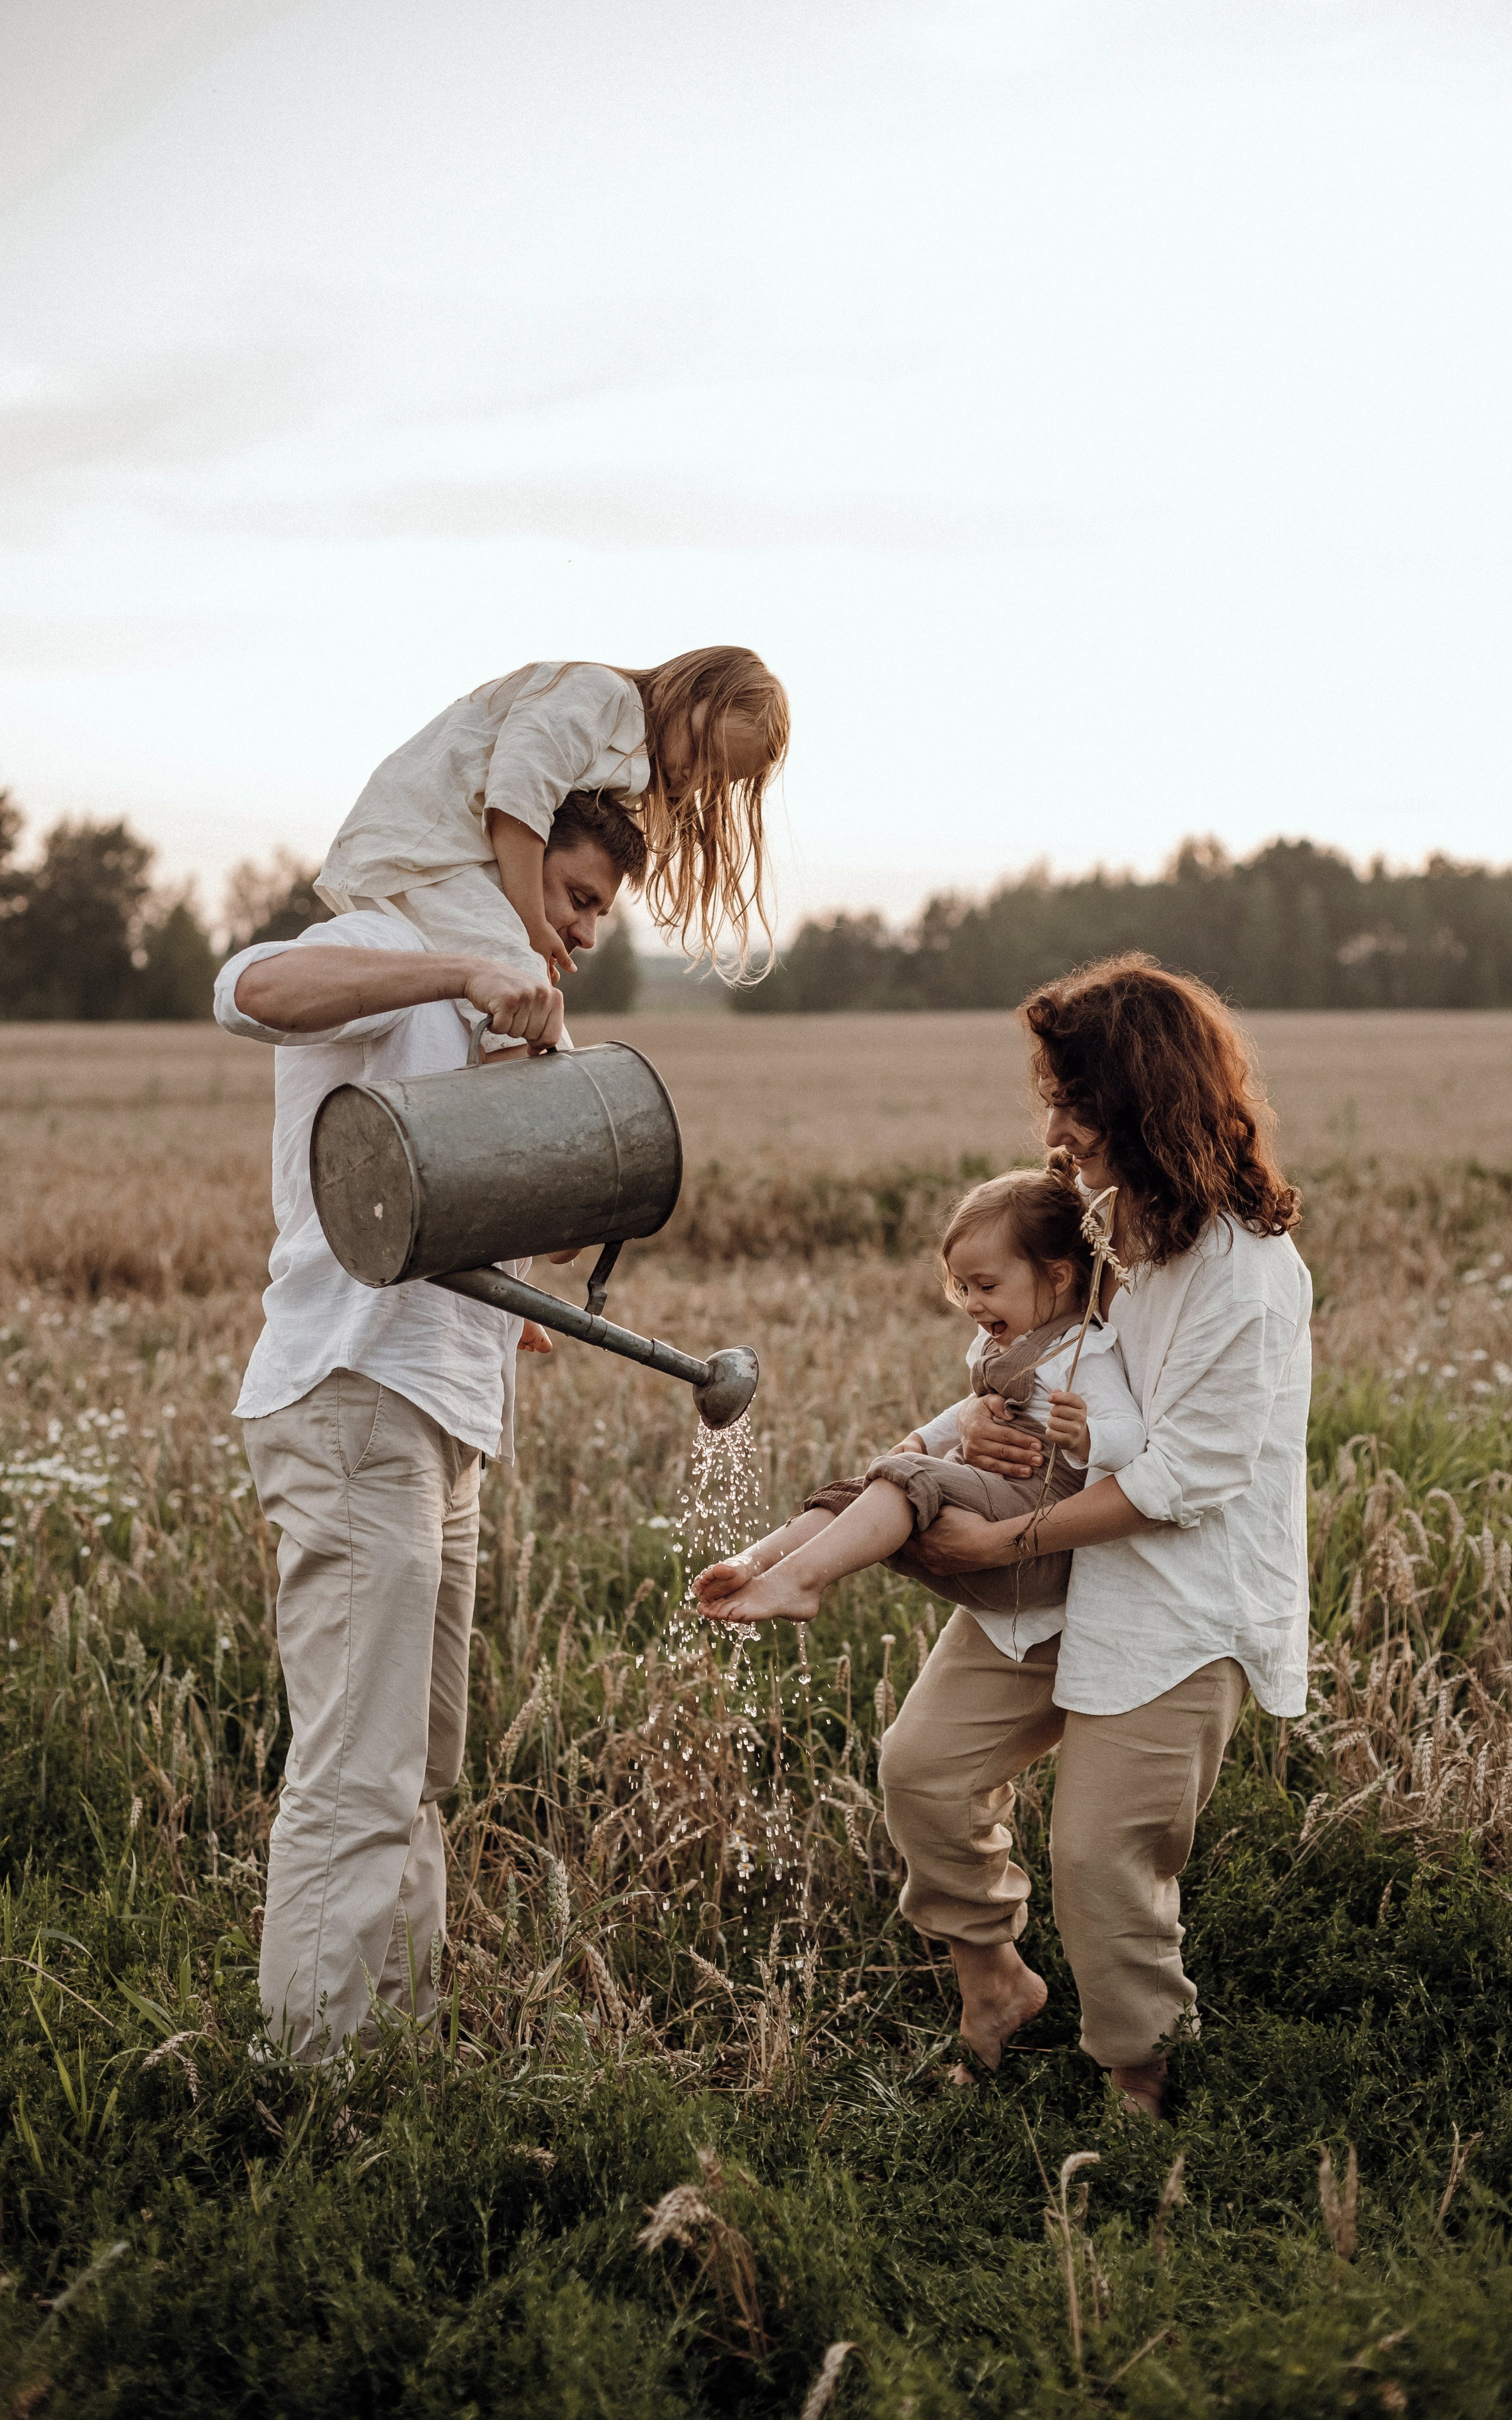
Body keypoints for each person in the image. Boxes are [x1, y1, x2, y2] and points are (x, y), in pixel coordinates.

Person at [215, 790, 646, 2062]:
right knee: (357, 1764)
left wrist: (544, 1098)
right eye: (570, 898)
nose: (580, 934)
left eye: (599, 918)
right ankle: (316, 2080)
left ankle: (392, 2055)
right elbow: (247, 990)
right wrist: (466, 965)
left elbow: (547, 1235)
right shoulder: (387, 959)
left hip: (446, 1422)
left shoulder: (506, 1022)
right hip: (353, 1398)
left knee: (417, 1767)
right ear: (507, 860)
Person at [878, 957, 1311, 2119]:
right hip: (1063, 1570)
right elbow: (1039, 1359)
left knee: (1098, 1860)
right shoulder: (1107, 1223)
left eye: (1082, 1106)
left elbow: (1188, 1478)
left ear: (1150, 1105)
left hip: (1179, 1599)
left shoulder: (1246, 1276)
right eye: (1053, 1101)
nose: (1058, 1132)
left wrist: (997, 1548)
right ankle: (997, 1987)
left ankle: (1143, 2084)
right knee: (922, 1773)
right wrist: (959, 1436)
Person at [694, 1167, 1143, 1630]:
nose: (972, 1304)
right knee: (864, 1488)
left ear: (1058, 1277)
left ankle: (800, 1581)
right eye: (965, 1288)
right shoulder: (1006, 1346)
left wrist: (1087, 1438)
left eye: (987, 1287)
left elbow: (1131, 1436)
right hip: (981, 1519)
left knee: (905, 1479)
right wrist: (922, 1440)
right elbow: (965, 1412)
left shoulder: (1080, 1353)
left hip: (1030, 1547)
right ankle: (754, 1563)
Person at [316, 647, 788, 1039]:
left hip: (434, 857)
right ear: (689, 690)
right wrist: (532, 923)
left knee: (506, 994)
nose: (694, 776)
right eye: (703, 749)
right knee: (521, 987)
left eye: (717, 777)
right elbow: (518, 795)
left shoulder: (630, 759)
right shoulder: (603, 696)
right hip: (418, 848)